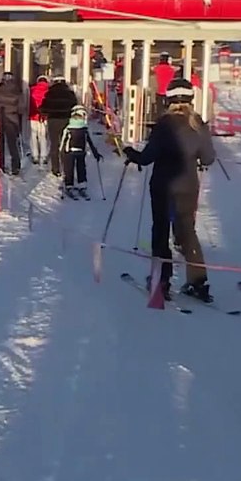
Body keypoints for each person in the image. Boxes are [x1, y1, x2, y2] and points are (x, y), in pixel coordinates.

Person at [123, 78, 217, 302]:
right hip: (188, 186)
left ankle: (161, 280)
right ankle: (198, 280)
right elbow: (209, 157)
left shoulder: (164, 125)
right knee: (187, 233)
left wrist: (129, 153)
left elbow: (146, 158)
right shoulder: (198, 124)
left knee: (161, 232)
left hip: (164, 186)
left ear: (169, 98)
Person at [61, 104, 103, 198]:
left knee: (69, 169)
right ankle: (82, 185)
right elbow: (90, 142)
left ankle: (69, 185)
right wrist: (96, 154)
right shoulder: (85, 129)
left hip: (69, 152)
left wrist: (61, 153)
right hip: (81, 151)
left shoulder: (68, 128)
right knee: (81, 168)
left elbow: (63, 141)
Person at [40, 76, 79, 177]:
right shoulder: (70, 94)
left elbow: (43, 108)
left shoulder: (50, 93)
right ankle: (66, 167)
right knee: (65, 144)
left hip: (53, 120)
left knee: (54, 144)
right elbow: (75, 107)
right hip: (66, 120)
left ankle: (55, 168)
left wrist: (45, 112)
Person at [0, 72, 24, 175]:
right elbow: (22, 109)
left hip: (0, 119)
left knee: (0, 143)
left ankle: (1, 165)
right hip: (13, 119)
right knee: (13, 144)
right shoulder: (18, 92)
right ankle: (16, 167)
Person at [28, 75, 50, 165]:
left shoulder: (32, 89)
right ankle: (43, 156)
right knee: (43, 136)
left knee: (33, 136)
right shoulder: (48, 90)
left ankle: (35, 155)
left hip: (33, 115)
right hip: (44, 116)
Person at [152, 52, 176, 116]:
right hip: (168, 91)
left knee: (159, 108)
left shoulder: (156, 69)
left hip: (158, 91)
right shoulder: (171, 70)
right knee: (167, 108)